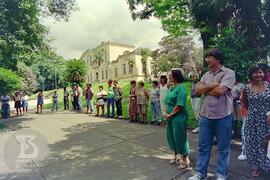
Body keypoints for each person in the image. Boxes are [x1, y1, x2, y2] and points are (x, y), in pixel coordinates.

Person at [189, 48, 235, 180]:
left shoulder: (229, 73)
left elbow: (220, 91)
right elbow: (196, 90)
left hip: (223, 116)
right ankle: (200, 174)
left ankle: (221, 175)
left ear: (218, 59)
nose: (207, 60)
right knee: (203, 146)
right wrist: (213, 85)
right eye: (207, 57)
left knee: (223, 148)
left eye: (209, 57)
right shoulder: (206, 75)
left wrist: (203, 89)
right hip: (206, 116)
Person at [242, 65, 270, 177]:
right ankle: (258, 166)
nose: (258, 75)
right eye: (255, 73)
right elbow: (244, 103)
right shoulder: (247, 87)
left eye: (260, 72)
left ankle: (267, 165)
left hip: (267, 120)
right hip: (252, 121)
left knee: (266, 143)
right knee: (254, 144)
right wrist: (246, 114)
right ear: (251, 75)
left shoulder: (269, 85)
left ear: (263, 73)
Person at [163, 68, 190, 170]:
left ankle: (185, 159)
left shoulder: (181, 88)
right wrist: (166, 113)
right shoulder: (171, 88)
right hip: (170, 117)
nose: (168, 76)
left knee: (180, 137)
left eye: (170, 75)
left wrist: (170, 115)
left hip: (179, 117)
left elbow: (179, 105)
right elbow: (166, 102)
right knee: (171, 136)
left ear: (175, 76)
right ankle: (176, 156)